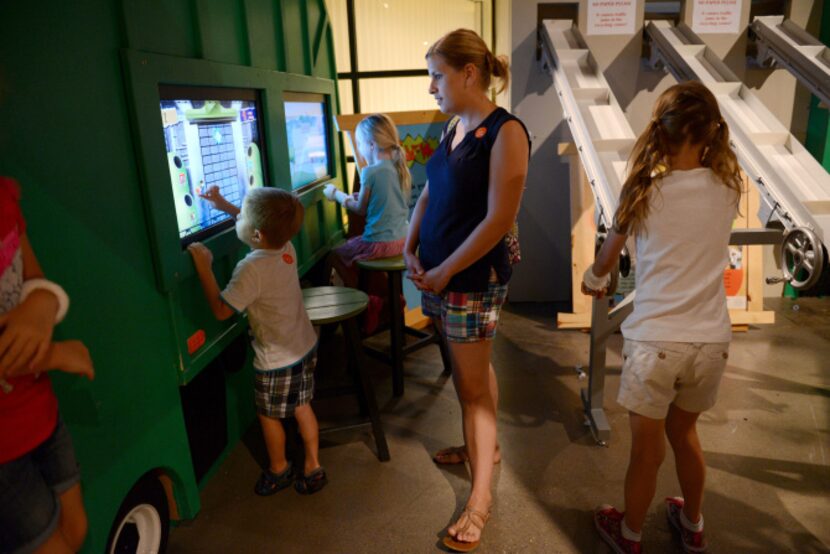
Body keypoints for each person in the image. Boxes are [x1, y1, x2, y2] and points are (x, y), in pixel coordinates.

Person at [583, 81, 743, 554]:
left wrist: (593, 280)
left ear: (662, 134)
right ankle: (692, 524)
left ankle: (629, 534)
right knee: (685, 433)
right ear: (712, 133)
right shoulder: (728, 188)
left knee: (646, 452)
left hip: (655, 343)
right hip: (711, 342)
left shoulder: (644, 193)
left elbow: (606, 262)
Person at [404, 29, 529, 552]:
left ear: (469, 73)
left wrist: (447, 270)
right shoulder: (456, 126)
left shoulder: (506, 132)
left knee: (472, 386)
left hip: (471, 277)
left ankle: (479, 500)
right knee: (469, 369)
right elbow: (430, 191)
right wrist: (411, 246)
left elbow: (500, 219)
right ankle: (485, 448)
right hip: (438, 272)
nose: (432, 86)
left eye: (437, 75)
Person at [190, 186, 327, 495]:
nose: (239, 218)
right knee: (303, 406)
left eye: (243, 217)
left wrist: (204, 269)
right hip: (304, 345)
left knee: (268, 414)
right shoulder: (286, 247)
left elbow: (222, 310)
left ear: (256, 235)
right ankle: (313, 466)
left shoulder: (250, 268)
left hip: (276, 360)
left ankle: (279, 468)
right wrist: (224, 205)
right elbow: (259, 228)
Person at [0, 176, 94, 554]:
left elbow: (34, 280)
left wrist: (43, 302)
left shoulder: (5, 198)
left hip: (40, 409)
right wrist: (57, 354)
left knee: (76, 527)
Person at [323, 113, 410, 288]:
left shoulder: (370, 172)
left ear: (371, 145)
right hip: (403, 240)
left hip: (380, 244)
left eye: (360, 144)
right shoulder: (399, 167)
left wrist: (336, 195)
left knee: (334, 255)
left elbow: (360, 209)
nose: (359, 149)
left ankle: (361, 297)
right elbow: (386, 199)